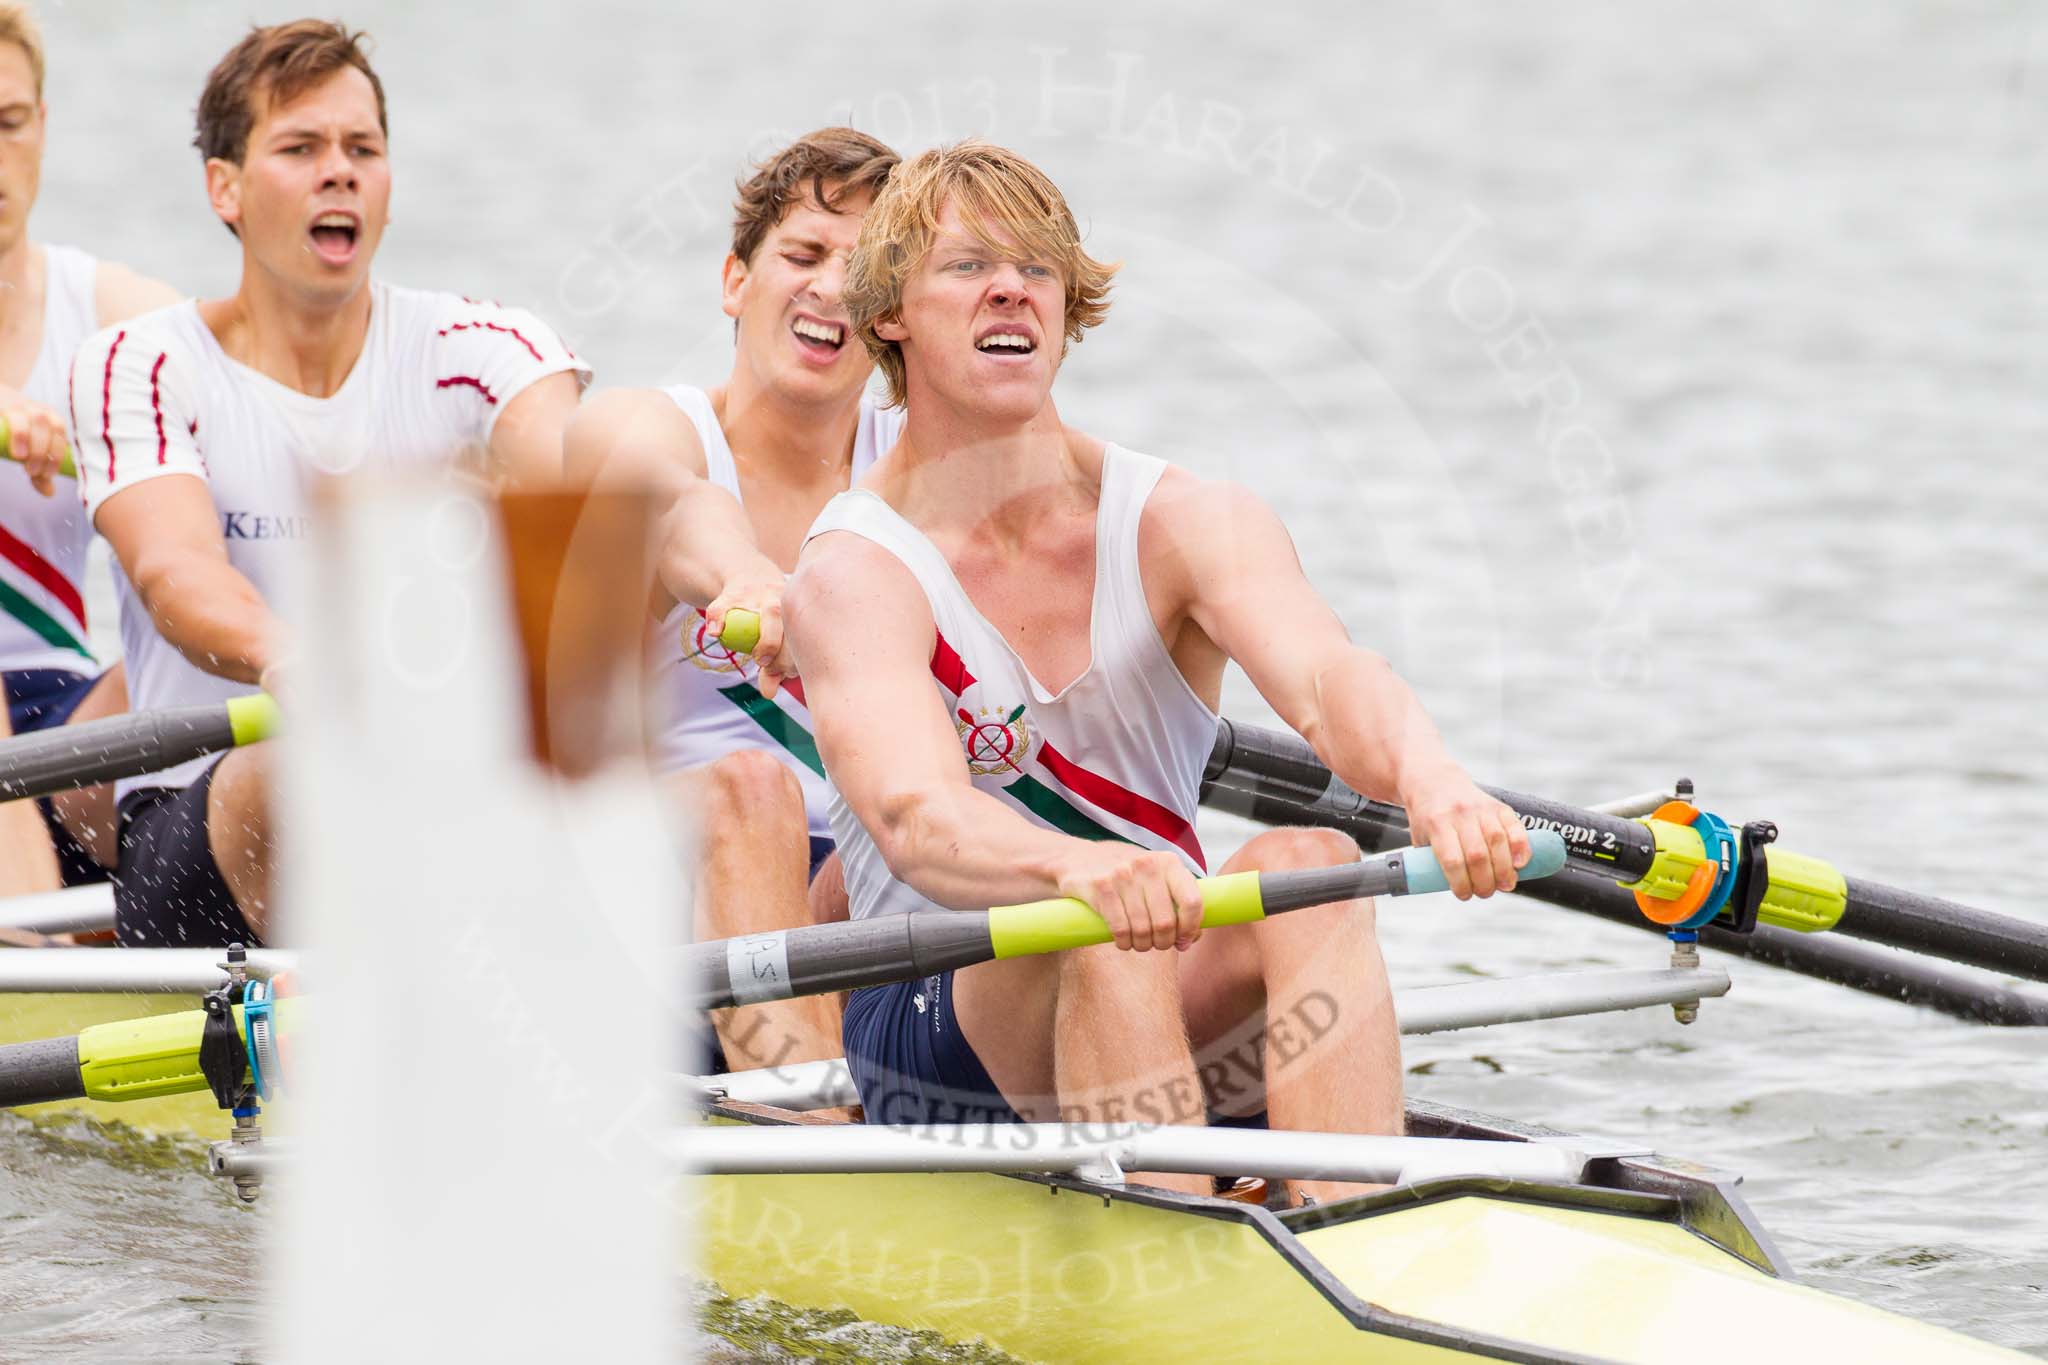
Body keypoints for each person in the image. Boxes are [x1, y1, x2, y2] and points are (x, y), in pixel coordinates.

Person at [787, 142, 1533, 1204]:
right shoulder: (856, 571)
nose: (1009, 288)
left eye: (1035, 267)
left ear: (1065, 307)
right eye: (967, 266)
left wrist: (1434, 780)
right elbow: (918, 819)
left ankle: (1355, 1221)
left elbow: (1329, 682)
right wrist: (1075, 869)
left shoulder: (1187, 519)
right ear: (890, 314)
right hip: (936, 1021)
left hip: (1147, 956)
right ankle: (1184, 1247)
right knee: (1102, 922)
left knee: (1311, 862)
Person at [70, 21, 585, 946]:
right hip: (201, 824)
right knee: (303, 766)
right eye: (301, 148)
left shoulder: (485, 349)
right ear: (224, 187)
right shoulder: (139, 364)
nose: (339, 172)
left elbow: (572, 496)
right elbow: (175, 573)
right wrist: (295, 658)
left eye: (363, 149)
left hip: (438, 800)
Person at [565, 128, 899, 1073]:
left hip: (835, 885)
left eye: (863, 271)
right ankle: (806, 1124)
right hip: (641, 876)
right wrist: (745, 576)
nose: (830, 288)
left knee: (924, 832)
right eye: (804, 254)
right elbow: (671, 504)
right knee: (753, 791)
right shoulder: (640, 426)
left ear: (894, 318)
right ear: (734, 282)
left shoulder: (917, 472)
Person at [0, 4, 179, 900]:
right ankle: (35, 942)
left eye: (8, 123)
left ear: (42, 127)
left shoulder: (114, 312)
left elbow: (249, 399)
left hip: (70, 727)